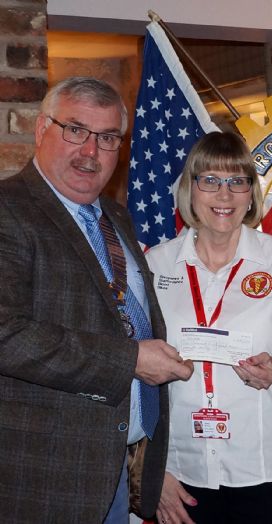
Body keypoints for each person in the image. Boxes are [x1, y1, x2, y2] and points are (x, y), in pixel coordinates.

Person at [0, 76, 194, 522]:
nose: (91, 152)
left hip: (111, 472)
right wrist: (129, 360)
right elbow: (6, 334)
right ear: (41, 130)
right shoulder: (8, 210)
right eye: (75, 130)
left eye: (107, 138)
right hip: (39, 478)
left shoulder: (116, 217)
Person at [146, 131, 272, 524]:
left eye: (237, 181)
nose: (224, 194)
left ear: (251, 194)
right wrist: (151, 470)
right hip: (182, 472)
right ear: (190, 190)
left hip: (269, 472)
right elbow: (134, 376)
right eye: (210, 180)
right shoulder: (155, 265)